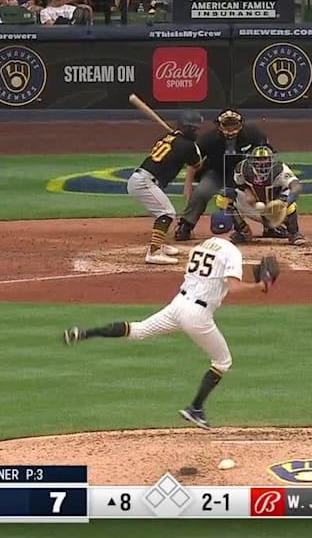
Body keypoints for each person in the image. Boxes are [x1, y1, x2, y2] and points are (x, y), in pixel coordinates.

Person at [63, 237, 276, 430]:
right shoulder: (232, 251)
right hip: (198, 314)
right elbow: (234, 288)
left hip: (178, 305)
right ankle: (195, 408)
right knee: (222, 361)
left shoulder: (200, 246)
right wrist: (258, 285)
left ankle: (84, 333)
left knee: (138, 330)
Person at [174, 110, 271, 242]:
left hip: (244, 175)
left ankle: (271, 226)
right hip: (216, 173)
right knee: (201, 192)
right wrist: (188, 185)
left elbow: (266, 154)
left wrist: (257, 181)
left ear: (241, 124)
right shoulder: (208, 139)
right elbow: (193, 161)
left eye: (233, 125)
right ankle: (185, 226)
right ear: (219, 126)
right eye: (227, 126)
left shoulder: (254, 135)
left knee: (261, 194)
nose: (230, 129)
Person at [128, 111, 204, 265]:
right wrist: (192, 147)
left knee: (163, 212)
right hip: (144, 182)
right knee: (166, 213)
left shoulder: (169, 138)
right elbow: (196, 164)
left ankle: (160, 244)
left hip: (142, 179)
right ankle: (154, 252)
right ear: (187, 129)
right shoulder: (187, 146)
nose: (197, 131)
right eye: (194, 129)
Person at [223, 145, 307, 246]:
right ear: (252, 160)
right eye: (258, 159)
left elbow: (296, 186)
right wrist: (247, 191)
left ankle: (293, 233)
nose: (262, 162)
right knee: (224, 197)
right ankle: (243, 232)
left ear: (271, 159)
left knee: (290, 203)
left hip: (274, 210)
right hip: (254, 207)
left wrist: (285, 204)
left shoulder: (280, 169)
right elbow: (239, 183)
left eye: (265, 158)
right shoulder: (243, 169)